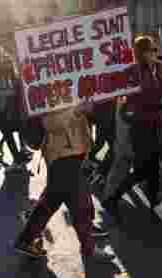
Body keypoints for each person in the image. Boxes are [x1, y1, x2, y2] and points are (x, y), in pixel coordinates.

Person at [14, 100, 116, 262]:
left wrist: (88, 110)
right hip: (62, 155)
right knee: (78, 203)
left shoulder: (70, 82)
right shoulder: (49, 87)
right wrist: (77, 111)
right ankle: (88, 246)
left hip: (72, 152)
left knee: (53, 201)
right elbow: (50, 123)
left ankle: (25, 240)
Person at [103, 35, 162, 221]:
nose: (156, 53)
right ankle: (113, 198)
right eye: (152, 50)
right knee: (142, 169)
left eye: (156, 49)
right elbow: (146, 98)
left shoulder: (152, 70)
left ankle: (155, 204)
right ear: (143, 52)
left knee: (154, 167)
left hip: (154, 124)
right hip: (143, 126)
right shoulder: (135, 71)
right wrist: (161, 86)